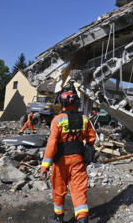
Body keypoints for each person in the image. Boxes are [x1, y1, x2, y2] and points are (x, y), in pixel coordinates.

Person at [40, 90, 96, 223]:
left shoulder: (57, 120)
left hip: (61, 161)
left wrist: (45, 167)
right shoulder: (84, 118)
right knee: (78, 189)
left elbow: (52, 144)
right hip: (78, 159)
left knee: (59, 189)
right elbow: (91, 138)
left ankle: (58, 217)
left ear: (61, 102)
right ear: (76, 102)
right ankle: (82, 218)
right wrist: (87, 149)